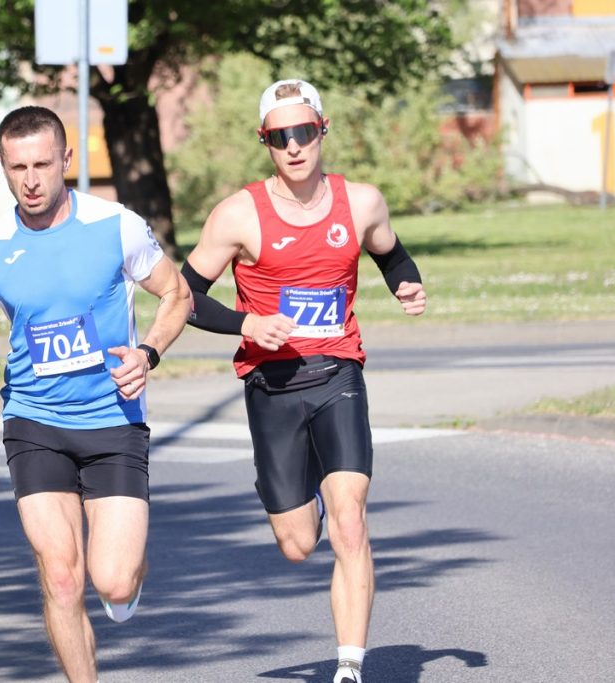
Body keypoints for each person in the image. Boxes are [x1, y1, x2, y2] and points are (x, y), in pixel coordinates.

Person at [180, 79, 427, 683]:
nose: (293, 146)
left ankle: (349, 665)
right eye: (279, 137)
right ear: (264, 141)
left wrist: (407, 283)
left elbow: (391, 253)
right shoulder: (238, 214)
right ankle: (301, 496)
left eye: (304, 132)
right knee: (297, 545)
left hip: (338, 372)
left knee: (352, 520)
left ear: (323, 130)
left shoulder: (361, 203)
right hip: (272, 385)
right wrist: (246, 323)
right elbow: (183, 297)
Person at [0, 105, 191, 682]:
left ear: (66, 161)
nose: (31, 180)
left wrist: (148, 352)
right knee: (60, 575)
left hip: (113, 420)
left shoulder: (115, 225)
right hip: (34, 422)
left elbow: (176, 294)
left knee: (114, 581)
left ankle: (127, 577)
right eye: (18, 167)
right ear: (3, 167)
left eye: (43, 165)